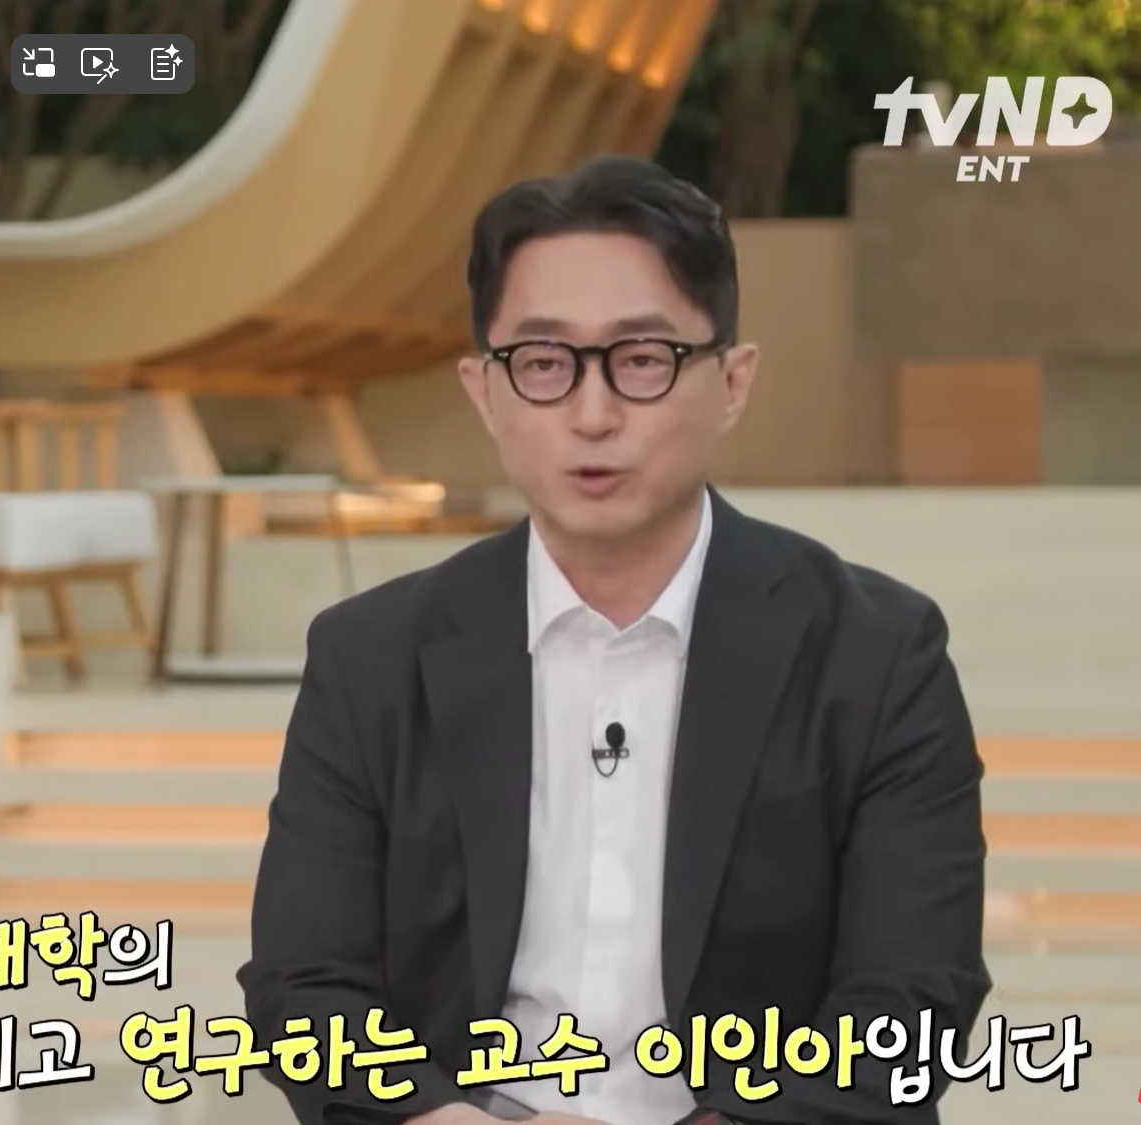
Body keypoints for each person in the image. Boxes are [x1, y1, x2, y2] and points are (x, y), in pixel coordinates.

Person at [237, 154, 989, 1125]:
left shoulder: (878, 655)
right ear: (484, 390)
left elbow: (913, 1000)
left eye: (642, 359)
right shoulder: (369, 659)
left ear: (732, 381)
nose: (593, 416)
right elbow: (305, 986)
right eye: (543, 363)